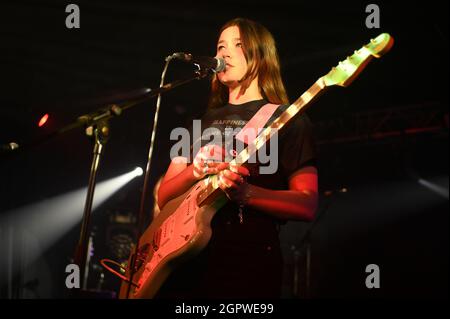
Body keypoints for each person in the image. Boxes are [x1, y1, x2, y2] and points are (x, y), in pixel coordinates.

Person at [155, 17, 318, 298]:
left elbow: (307, 204)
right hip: (186, 265)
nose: (223, 53)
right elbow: (164, 197)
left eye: (238, 45)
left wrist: (248, 194)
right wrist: (194, 171)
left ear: (261, 55)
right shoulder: (199, 121)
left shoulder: (288, 119)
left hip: (247, 267)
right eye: (220, 46)